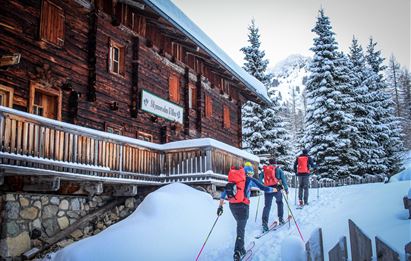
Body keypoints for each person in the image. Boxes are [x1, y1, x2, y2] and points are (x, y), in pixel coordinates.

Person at [217, 162, 276, 261]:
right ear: (249, 173)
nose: (251, 175)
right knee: (241, 229)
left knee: (240, 226)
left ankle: (242, 248)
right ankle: (237, 252)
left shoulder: (234, 181)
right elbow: (263, 188)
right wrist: (274, 189)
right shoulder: (250, 180)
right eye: (251, 173)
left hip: (232, 206)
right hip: (243, 206)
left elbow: (224, 194)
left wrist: (220, 207)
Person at [259, 158, 289, 232]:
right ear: (275, 163)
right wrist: (286, 189)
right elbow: (284, 180)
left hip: (267, 189)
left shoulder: (265, 170)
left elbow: (259, 179)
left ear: (269, 163)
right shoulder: (279, 170)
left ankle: (264, 223)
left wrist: (262, 186)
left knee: (267, 206)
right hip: (276, 189)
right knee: (279, 202)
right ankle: (281, 219)